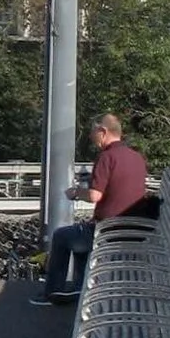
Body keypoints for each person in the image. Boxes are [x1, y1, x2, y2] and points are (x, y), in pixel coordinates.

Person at [36, 110, 152, 303]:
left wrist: (75, 193)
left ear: (103, 131)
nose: (91, 137)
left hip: (107, 231)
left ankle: (53, 292)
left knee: (62, 236)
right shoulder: (137, 158)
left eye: (92, 132)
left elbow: (94, 196)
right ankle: (79, 289)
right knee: (79, 237)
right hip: (135, 229)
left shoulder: (106, 157)